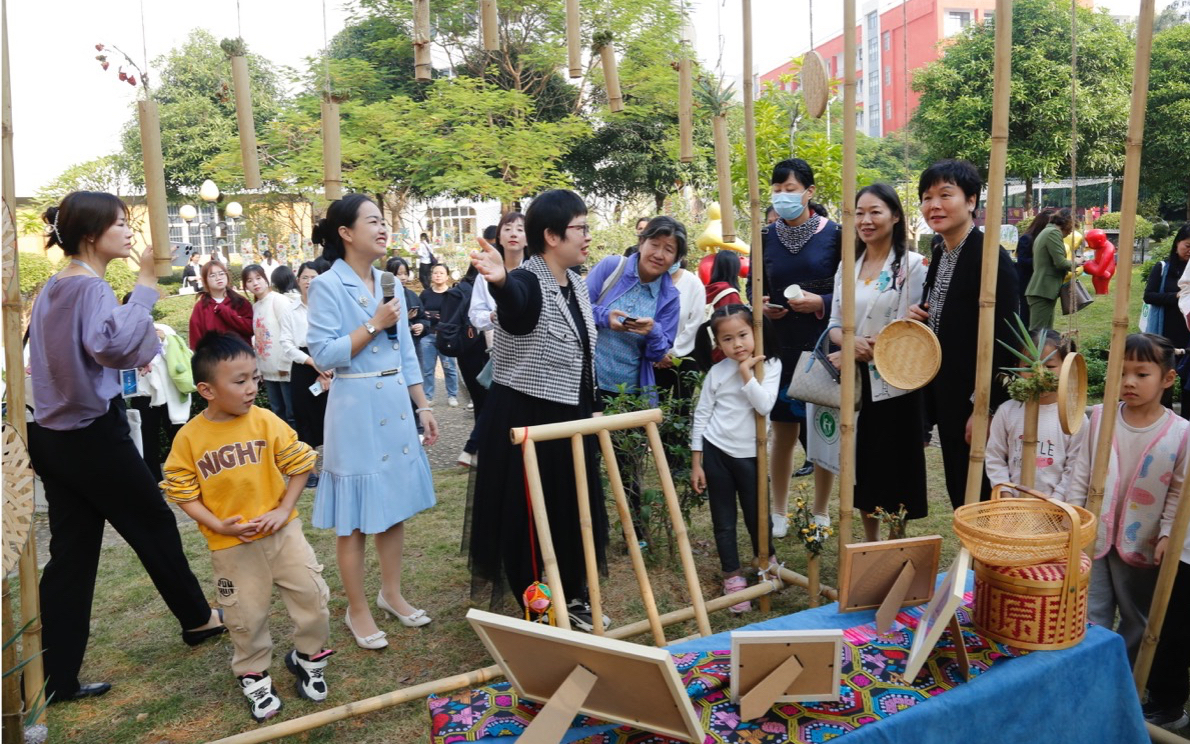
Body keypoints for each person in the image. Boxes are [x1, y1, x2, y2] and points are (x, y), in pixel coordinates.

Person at [26, 191, 225, 704]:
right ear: (92, 234)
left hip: (53, 436)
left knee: (72, 555)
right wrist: (146, 284)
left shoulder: (54, 287)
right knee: (152, 523)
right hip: (91, 433)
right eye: (120, 223)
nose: (130, 231)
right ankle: (198, 619)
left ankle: (52, 676)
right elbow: (115, 347)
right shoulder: (88, 287)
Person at [161, 333, 331, 723]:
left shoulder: (266, 420)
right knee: (244, 616)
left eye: (255, 377)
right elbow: (181, 490)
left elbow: (300, 464)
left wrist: (284, 509)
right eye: (240, 381)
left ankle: (309, 658)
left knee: (312, 596)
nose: (252, 387)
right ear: (207, 390)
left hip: (284, 535)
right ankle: (253, 674)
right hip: (232, 547)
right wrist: (217, 524)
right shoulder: (189, 438)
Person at [467, 189, 609, 632]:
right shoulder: (527, 280)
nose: (587, 236)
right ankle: (539, 607)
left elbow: (584, 352)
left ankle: (574, 595)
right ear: (551, 236)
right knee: (529, 520)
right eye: (580, 228)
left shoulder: (576, 283)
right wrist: (501, 283)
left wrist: (593, 406)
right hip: (526, 420)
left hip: (572, 418)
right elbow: (518, 307)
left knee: (573, 509)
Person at [307, 194, 438, 650]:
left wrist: (423, 406)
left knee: (394, 507)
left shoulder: (390, 282)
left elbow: (407, 354)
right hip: (354, 406)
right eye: (373, 221)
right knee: (355, 520)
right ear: (345, 233)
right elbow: (323, 354)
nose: (383, 228)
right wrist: (373, 324)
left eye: (384, 221)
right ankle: (357, 608)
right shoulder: (326, 286)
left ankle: (391, 593)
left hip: (395, 404)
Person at [1066, 333, 1188, 664]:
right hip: (1094, 536)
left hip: (1145, 542)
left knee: (1138, 616)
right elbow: (1081, 471)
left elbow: (1179, 491)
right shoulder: (1100, 418)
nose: (1128, 382)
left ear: (1168, 379)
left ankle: (1131, 674)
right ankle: (1092, 668)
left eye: (1141, 374)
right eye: (1120, 373)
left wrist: (1168, 533)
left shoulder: (1181, 433)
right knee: (1090, 609)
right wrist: (1074, 520)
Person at [907, 159, 1019, 509]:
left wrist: (986, 407)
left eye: (945, 195)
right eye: (927, 197)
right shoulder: (941, 251)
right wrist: (923, 318)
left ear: (971, 201)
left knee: (982, 493)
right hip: (947, 393)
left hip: (976, 397)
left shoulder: (989, 257)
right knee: (960, 487)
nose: (934, 205)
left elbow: (1009, 340)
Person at [825, 184, 929, 541]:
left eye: (875, 212)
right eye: (860, 213)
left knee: (896, 468)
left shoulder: (913, 266)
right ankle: (870, 545)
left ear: (895, 216)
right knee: (863, 465)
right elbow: (834, 324)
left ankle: (896, 543)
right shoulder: (847, 266)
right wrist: (848, 341)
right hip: (855, 382)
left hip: (896, 381)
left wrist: (874, 346)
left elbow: (913, 326)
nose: (866, 221)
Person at [588, 216, 685, 537]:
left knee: (626, 466)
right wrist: (607, 317)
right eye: (654, 244)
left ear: (677, 257)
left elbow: (661, 352)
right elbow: (578, 308)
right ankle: (592, 531)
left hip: (628, 392)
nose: (659, 254)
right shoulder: (611, 267)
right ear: (641, 242)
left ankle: (637, 535)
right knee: (585, 462)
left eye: (669, 249)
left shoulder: (669, 295)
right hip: (588, 384)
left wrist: (653, 330)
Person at [760, 158, 842, 536]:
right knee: (782, 432)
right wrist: (763, 307)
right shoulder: (765, 236)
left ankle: (821, 511)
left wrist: (820, 302)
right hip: (781, 347)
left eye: (789, 189)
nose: (782, 196)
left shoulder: (835, 234)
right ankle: (778, 511)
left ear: (809, 192)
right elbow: (755, 288)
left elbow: (848, 290)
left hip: (823, 345)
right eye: (777, 190)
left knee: (824, 431)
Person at [690, 305, 781, 613]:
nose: (737, 344)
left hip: (752, 455)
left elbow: (764, 406)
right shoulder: (717, 372)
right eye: (727, 339)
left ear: (755, 331)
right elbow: (702, 415)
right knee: (724, 520)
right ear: (718, 342)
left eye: (743, 335)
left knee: (759, 516)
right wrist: (697, 461)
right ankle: (733, 577)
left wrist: (746, 374)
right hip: (717, 451)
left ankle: (767, 564)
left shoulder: (770, 365)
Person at [985, 330, 1087, 501]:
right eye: (1028, 366)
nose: (1039, 373)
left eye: (1050, 367)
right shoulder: (1007, 411)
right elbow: (995, 456)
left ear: (1068, 368)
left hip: (1056, 506)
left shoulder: (1074, 417)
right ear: (1017, 367)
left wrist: (1056, 500)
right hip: (1012, 504)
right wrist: (1005, 492)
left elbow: (1075, 466)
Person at [279, 260, 334, 487]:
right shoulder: (289, 310)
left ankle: (333, 467)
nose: (310, 282)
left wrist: (327, 369)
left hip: (329, 364)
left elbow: (340, 337)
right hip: (303, 366)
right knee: (303, 417)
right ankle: (310, 469)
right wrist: (312, 363)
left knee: (331, 416)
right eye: (305, 278)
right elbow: (286, 344)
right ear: (298, 280)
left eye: (314, 277)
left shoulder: (331, 307)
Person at [1143, 528, 1190, 730]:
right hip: (1183, 553)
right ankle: (1168, 705)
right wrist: (1168, 533)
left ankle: (1168, 705)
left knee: (1177, 635)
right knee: (1172, 633)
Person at [1145, 223, 1190, 417]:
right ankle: (1164, 418)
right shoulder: (1163, 268)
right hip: (1166, 332)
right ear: (1177, 243)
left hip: (1187, 333)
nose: (1189, 251)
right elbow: (1149, 296)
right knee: (1165, 379)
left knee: (1188, 382)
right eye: (1187, 245)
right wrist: (1176, 297)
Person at [243, 264, 295, 426]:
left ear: (266, 279)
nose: (255, 283)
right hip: (268, 370)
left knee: (292, 413)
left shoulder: (279, 300)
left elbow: (290, 333)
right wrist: (259, 368)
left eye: (258, 278)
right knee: (277, 413)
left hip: (285, 369)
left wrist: (285, 363)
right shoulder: (256, 306)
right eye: (249, 281)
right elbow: (259, 339)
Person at [1024, 208, 1082, 332]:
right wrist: (1077, 262)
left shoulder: (1047, 231)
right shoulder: (1053, 233)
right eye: (1071, 229)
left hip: (1044, 290)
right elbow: (1060, 263)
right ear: (1067, 224)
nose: (1070, 233)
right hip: (1043, 290)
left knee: (1045, 333)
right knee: (1038, 333)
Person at [419, 263, 461, 406]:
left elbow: (456, 315)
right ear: (431, 276)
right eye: (435, 273)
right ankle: (428, 396)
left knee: (449, 367)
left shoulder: (453, 294)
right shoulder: (425, 294)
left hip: (446, 336)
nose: (438, 275)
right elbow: (420, 313)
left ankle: (452, 395)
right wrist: (427, 316)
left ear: (447, 276)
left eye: (441, 273)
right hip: (428, 335)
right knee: (427, 368)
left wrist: (442, 317)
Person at [189, 260, 254, 349]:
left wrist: (226, 312)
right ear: (205, 280)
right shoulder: (201, 307)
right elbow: (196, 340)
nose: (218, 278)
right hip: (214, 356)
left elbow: (251, 329)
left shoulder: (240, 302)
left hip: (241, 354)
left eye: (221, 274)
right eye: (212, 275)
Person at [1013, 207, 1056, 328]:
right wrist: (1042, 261)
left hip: (1041, 281)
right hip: (1027, 280)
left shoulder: (1049, 239)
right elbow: (1022, 261)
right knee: (1026, 313)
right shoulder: (1027, 238)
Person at [385, 257, 427, 365]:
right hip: (390, 346)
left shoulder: (412, 295)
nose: (403, 277)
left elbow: (423, 317)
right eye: (399, 274)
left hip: (413, 344)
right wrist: (405, 318)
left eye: (406, 274)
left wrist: (421, 326)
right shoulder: (383, 297)